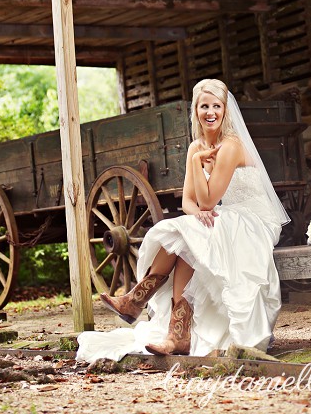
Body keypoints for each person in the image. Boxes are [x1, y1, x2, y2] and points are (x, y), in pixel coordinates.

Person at [77, 79, 290, 361]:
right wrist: (197, 211)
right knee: (185, 234)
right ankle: (170, 330)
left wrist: (194, 169)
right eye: (204, 106)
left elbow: (208, 201)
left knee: (189, 235)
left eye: (217, 106)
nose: (210, 112)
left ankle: (144, 306)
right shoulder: (196, 147)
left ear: (225, 110)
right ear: (196, 110)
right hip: (225, 216)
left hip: (253, 219)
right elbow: (188, 203)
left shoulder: (231, 145)